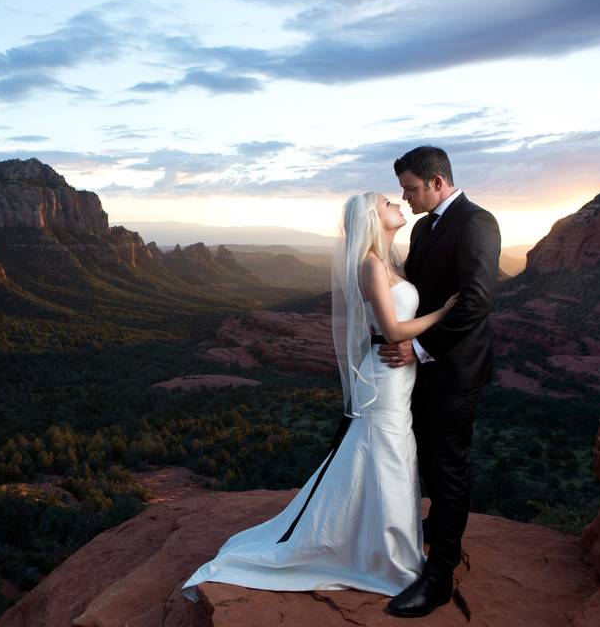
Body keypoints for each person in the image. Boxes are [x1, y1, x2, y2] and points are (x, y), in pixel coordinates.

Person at [180, 191, 456, 603]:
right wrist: (444, 313)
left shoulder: (389, 261)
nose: (397, 204)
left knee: (387, 457)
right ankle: (386, 559)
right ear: (372, 219)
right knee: (390, 458)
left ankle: (380, 547)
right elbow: (393, 331)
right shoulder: (370, 265)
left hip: (398, 378)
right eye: (387, 204)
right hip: (384, 380)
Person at [380, 146, 500, 618]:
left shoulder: (476, 222)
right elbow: (421, 293)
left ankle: (440, 575)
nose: (405, 198)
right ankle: (434, 528)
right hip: (419, 367)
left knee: (448, 465)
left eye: (410, 188)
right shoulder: (427, 225)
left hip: (453, 370)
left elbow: (476, 300)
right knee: (425, 458)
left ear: (436, 181)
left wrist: (421, 349)